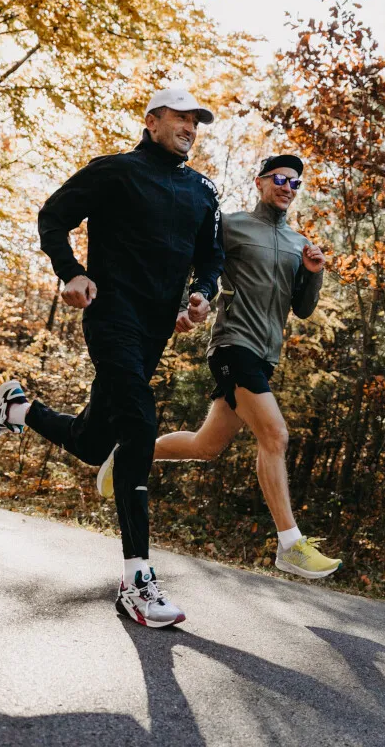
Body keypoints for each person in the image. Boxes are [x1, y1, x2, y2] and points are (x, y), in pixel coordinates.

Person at [0, 88, 223, 628]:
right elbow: (53, 216)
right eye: (181, 118)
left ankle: (16, 409)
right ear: (152, 121)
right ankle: (137, 581)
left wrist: (202, 293)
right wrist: (71, 272)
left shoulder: (203, 190)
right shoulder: (113, 171)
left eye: (196, 122)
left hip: (155, 329)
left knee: (92, 443)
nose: (190, 128)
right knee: (140, 421)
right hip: (112, 315)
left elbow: (211, 256)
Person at [99, 153, 341, 580]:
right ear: (260, 182)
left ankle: (128, 454)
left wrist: (313, 272)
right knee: (275, 434)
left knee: (205, 447)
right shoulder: (231, 226)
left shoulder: (296, 243)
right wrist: (185, 305)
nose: (288, 187)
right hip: (233, 346)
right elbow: (195, 263)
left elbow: (302, 309)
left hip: (264, 357)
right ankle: (290, 544)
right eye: (280, 179)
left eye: (296, 183)